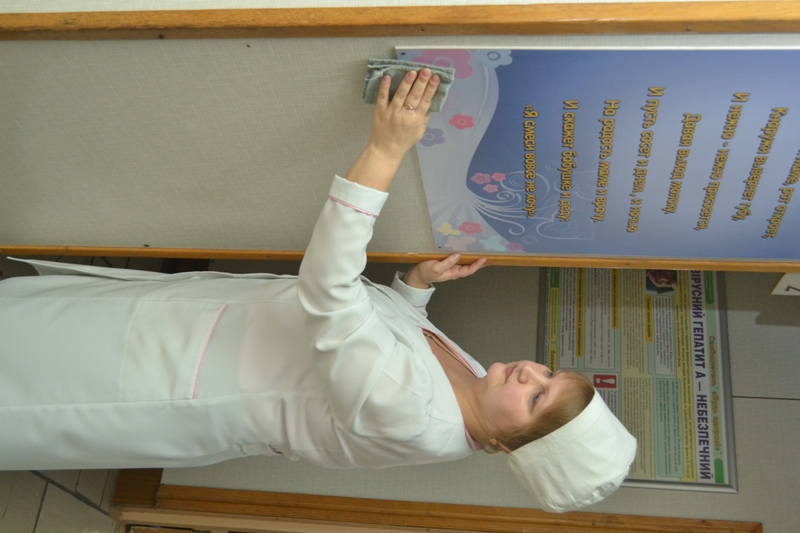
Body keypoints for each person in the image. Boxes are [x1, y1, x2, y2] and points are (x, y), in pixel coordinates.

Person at [0, 69, 635, 512]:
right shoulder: (476, 384)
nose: (529, 372)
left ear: (504, 445)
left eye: (536, 397)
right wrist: (416, 288)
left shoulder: (416, 419)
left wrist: (384, 151)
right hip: (201, 328)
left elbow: (330, 291)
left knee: (28, 370)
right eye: (550, 372)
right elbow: (379, 337)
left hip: (163, 379)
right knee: (41, 323)